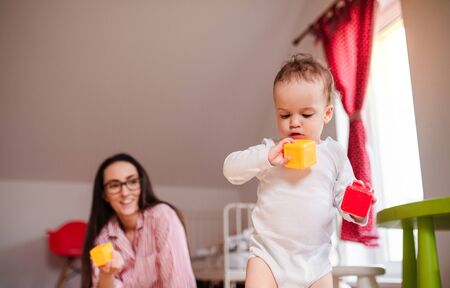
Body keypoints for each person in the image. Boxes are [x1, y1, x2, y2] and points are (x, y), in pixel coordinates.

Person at [223, 53, 374, 288]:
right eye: (285, 114)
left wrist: (358, 202)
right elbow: (230, 169)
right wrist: (266, 158)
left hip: (316, 263)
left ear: (327, 113)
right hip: (268, 258)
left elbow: (344, 201)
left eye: (306, 114)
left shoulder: (333, 154)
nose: (294, 122)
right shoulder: (271, 151)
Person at [81, 153, 196, 288]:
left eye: (132, 182)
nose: (124, 192)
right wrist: (107, 274)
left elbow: (178, 281)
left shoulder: (162, 217)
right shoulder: (103, 238)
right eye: (114, 185)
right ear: (104, 195)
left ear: (141, 185)